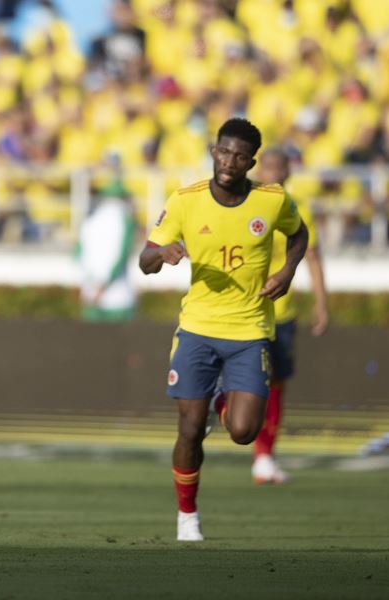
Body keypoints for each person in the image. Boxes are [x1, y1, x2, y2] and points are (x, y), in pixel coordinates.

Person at [138, 118, 308, 542]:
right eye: (222, 152)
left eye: (239, 156)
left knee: (244, 432)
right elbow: (144, 258)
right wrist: (162, 253)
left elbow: (299, 234)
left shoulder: (272, 201)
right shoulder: (185, 200)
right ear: (213, 151)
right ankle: (187, 515)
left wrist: (288, 271)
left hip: (249, 330)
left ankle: (221, 403)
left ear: (252, 161)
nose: (228, 162)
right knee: (190, 430)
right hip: (197, 329)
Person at [251, 147, 329, 484]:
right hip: (246, 312)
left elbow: (312, 256)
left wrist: (321, 302)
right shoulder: (244, 202)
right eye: (266, 167)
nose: (272, 173)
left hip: (281, 313)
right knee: (249, 381)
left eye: (278, 168)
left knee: (276, 384)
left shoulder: (298, 208)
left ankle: (264, 455)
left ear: (287, 172)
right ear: (258, 170)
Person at [78, 183, 137, 322]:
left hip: (90, 294)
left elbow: (78, 254)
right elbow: (121, 255)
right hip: (118, 298)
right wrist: (102, 285)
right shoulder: (125, 219)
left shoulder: (90, 219)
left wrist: (91, 285)